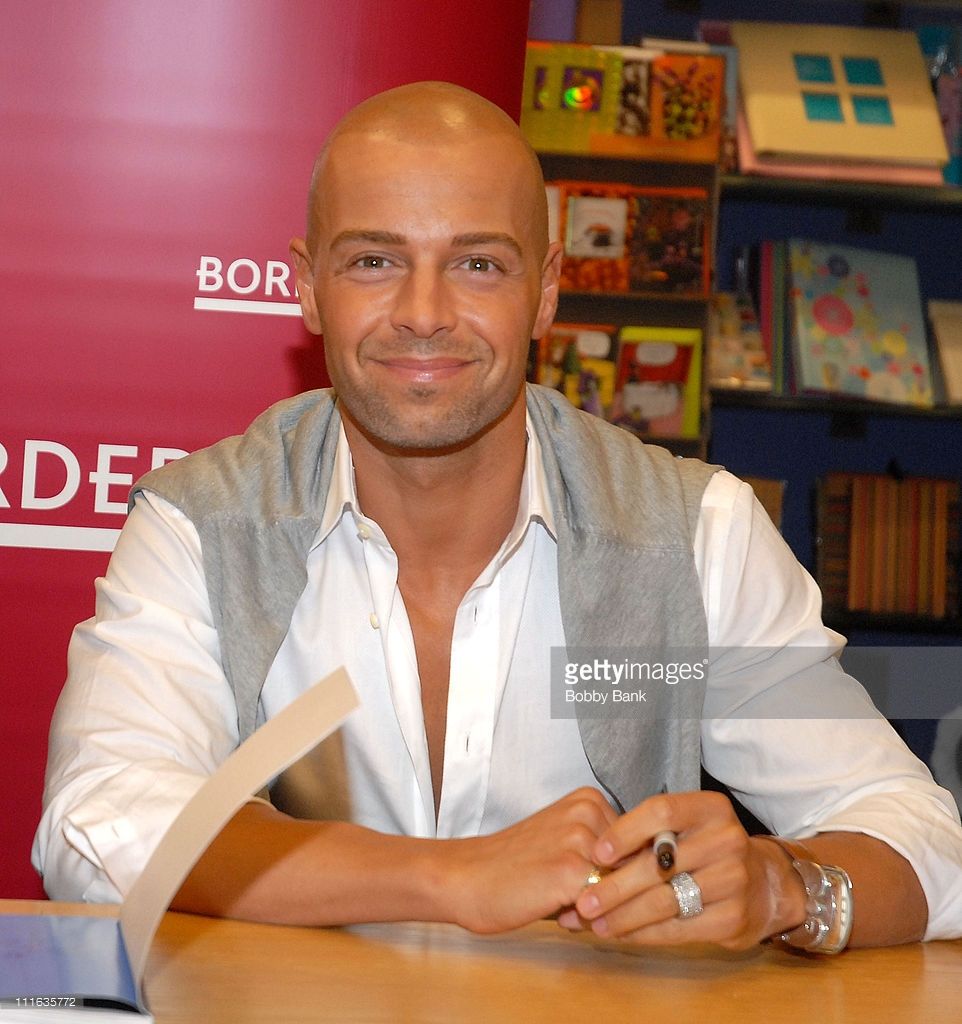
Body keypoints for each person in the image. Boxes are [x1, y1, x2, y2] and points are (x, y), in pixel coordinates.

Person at [33, 82, 962, 951]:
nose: (424, 313)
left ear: (546, 290)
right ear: (309, 286)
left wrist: (785, 887)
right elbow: (98, 823)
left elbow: (923, 838)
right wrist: (446, 877)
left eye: (477, 263)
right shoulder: (204, 526)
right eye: (374, 261)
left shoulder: (694, 536)